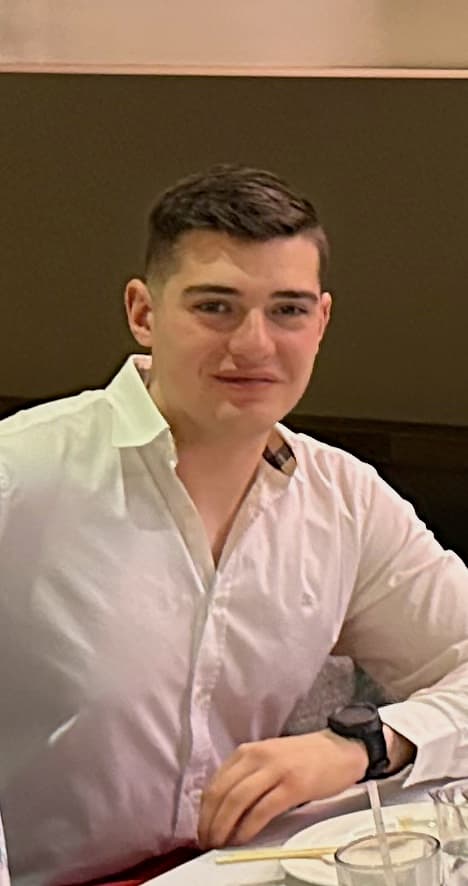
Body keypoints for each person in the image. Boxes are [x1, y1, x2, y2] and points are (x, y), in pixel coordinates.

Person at [0, 163, 467, 886]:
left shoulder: (344, 498)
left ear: (322, 320)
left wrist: (365, 747)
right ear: (143, 312)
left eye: (287, 309)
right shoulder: (17, 477)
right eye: (216, 306)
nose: (253, 344)